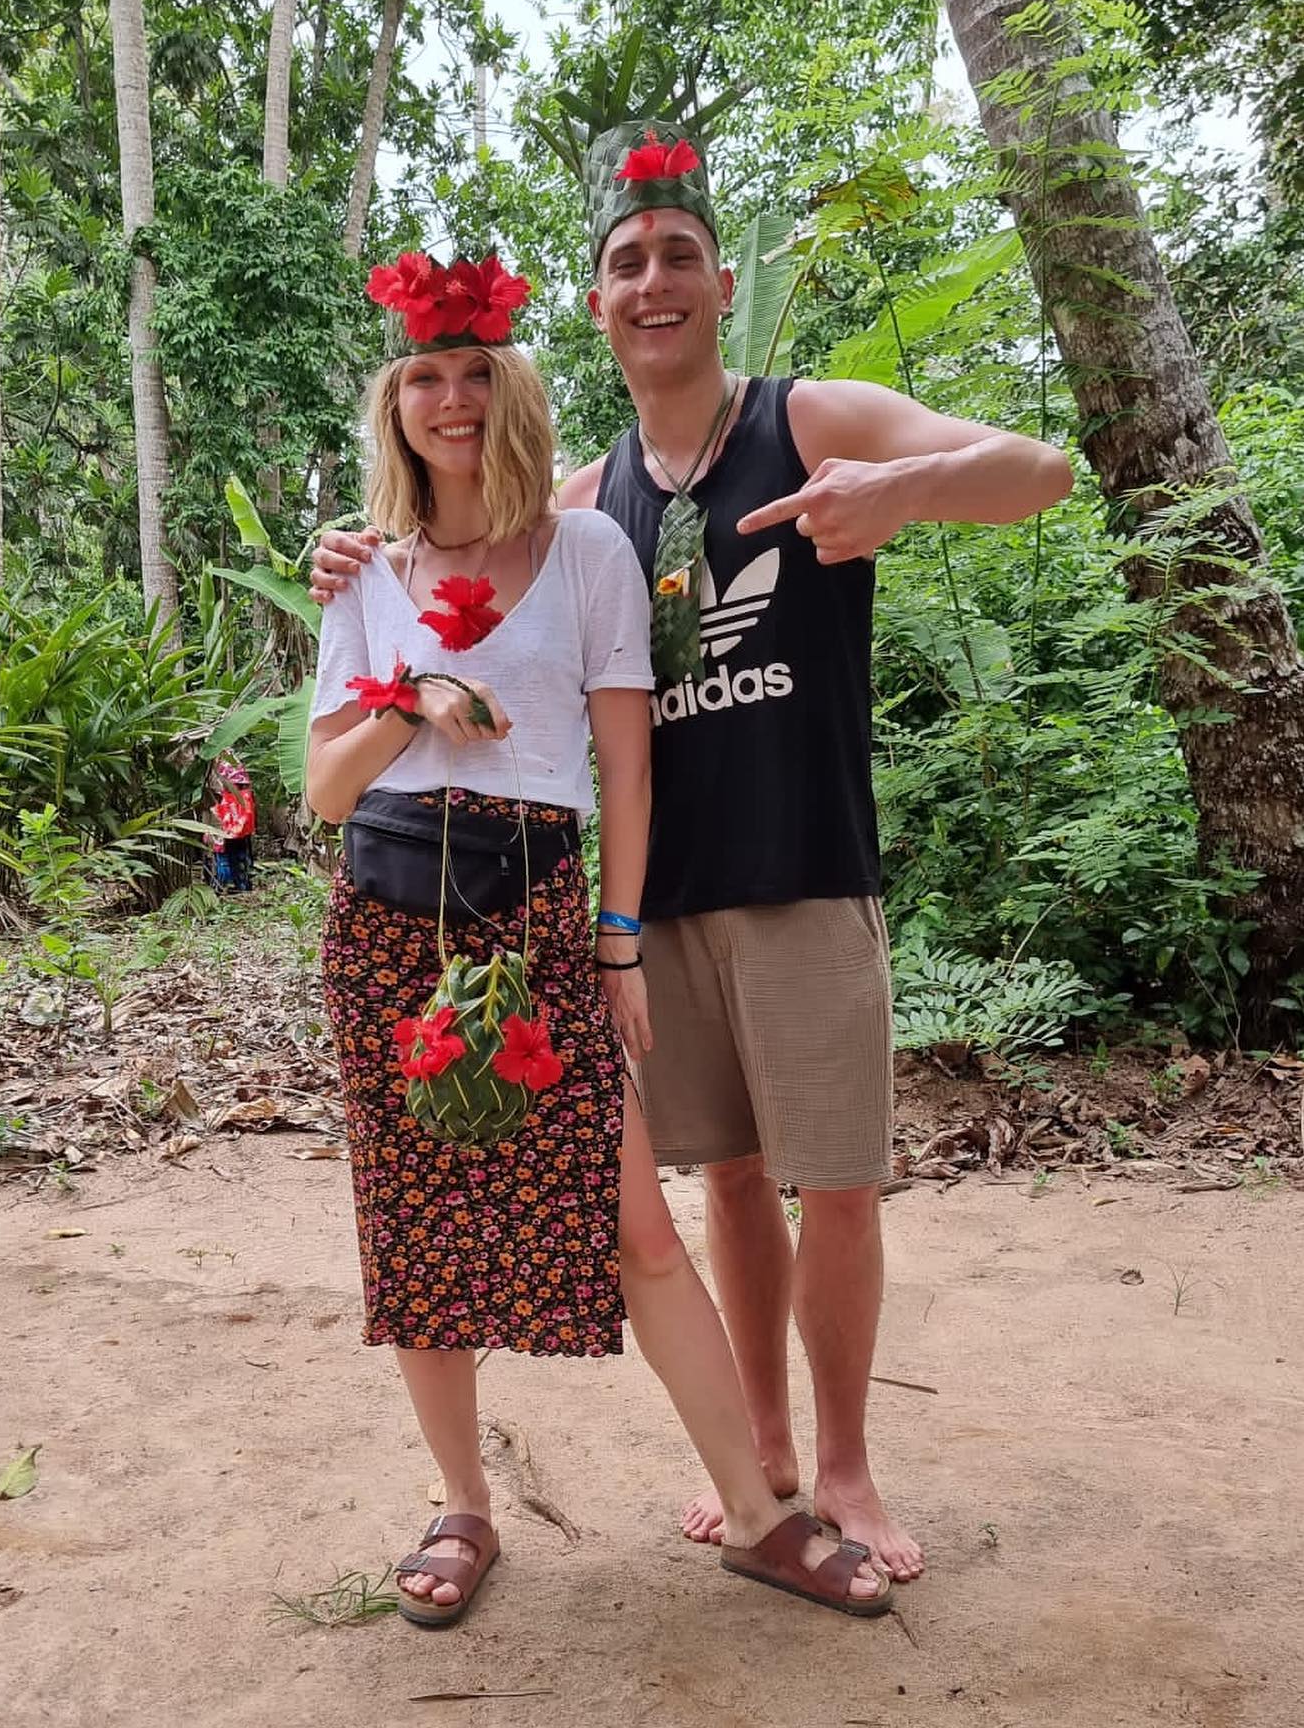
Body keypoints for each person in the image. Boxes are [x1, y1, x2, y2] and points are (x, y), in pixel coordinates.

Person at [313, 136, 1074, 1590]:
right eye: (625, 262)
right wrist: (362, 583)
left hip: (792, 868)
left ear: (724, 283)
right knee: (723, 1182)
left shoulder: (808, 419)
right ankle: (763, 1458)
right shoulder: (583, 504)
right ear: (598, 307)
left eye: (677, 256)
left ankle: (840, 1470)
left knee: (828, 1183)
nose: (652, 282)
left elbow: (1039, 470)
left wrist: (903, 493)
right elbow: (421, 649)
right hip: (646, 903)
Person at [306, 247, 893, 1628]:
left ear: (510, 389)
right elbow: (325, 789)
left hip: (535, 915)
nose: (452, 399)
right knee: (416, 1223)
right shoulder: (365, 572)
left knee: (635, 1220)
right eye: (424, 378)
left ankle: (759, 1514)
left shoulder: (589, 553)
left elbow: (627, 769)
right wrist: (410, 698)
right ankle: (463, 1505)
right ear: (397, 405)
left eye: (474, 372)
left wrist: (616, 943)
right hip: (387, 918)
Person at [205, 751, 255, 892]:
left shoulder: (218, 776)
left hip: (227, 831)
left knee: (226, 859)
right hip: (236, 831)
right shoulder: (243, 793)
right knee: (236, 859)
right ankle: (238, 885)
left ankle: (227, 886)